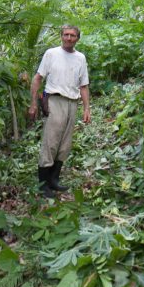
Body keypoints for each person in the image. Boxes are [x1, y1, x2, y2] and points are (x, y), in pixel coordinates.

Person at [28, 25, 91, 197]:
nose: (69, 38)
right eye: (66, 35)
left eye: (72, 35)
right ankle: (43, 185)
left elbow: (84, 85)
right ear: (61, 36)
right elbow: (37, 78)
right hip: (54, 100)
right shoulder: (51, 54)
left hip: (72, 102)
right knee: (51, 141)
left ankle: (53, 180)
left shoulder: (80, 58)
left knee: (65, 144)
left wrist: (86, 108)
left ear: (78, 38)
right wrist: (33, 103)